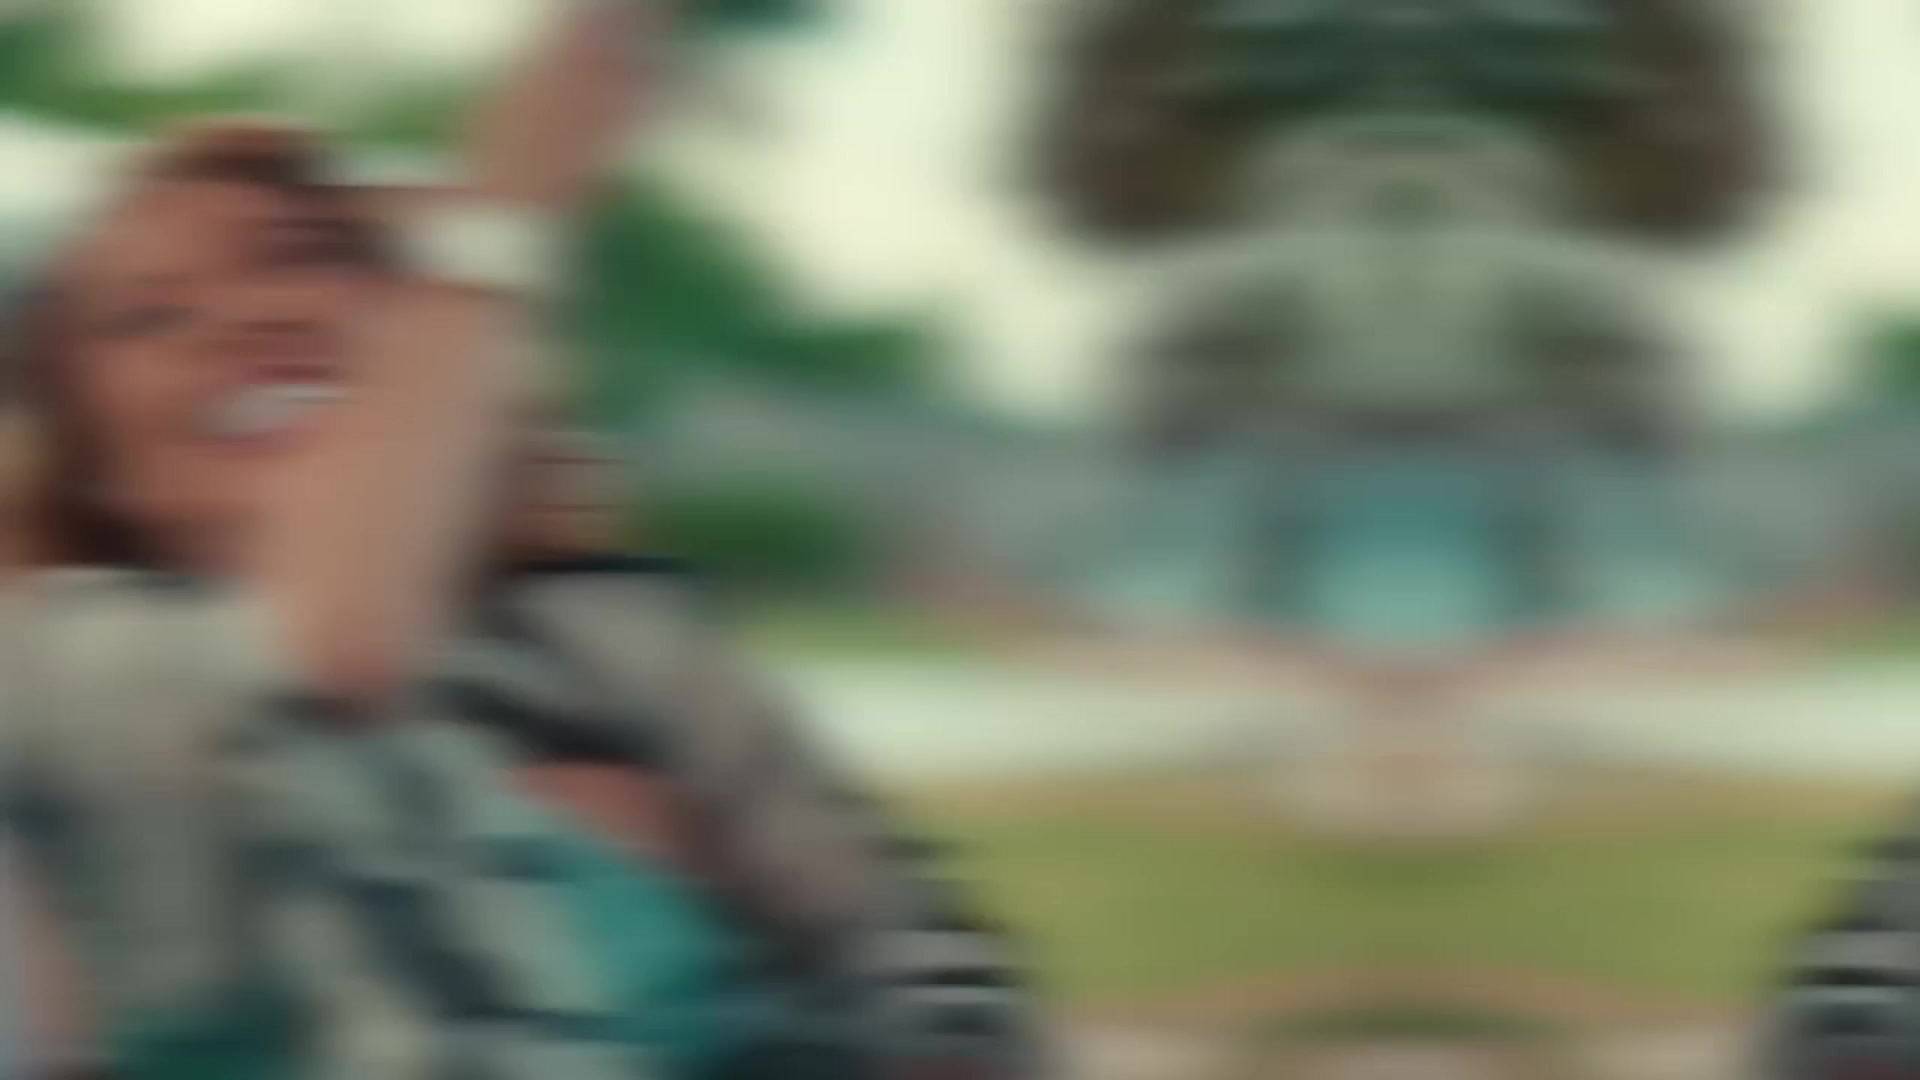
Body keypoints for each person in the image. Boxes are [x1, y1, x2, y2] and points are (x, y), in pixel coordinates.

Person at [0, 3, 1036, 1077]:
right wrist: (506, 213)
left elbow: (921, 967)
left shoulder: (611, 629)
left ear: (407, 335)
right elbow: (330, 655)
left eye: (293, 255)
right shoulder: (56, 661)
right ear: (97, 465)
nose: (243, 318)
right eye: (148, 316)